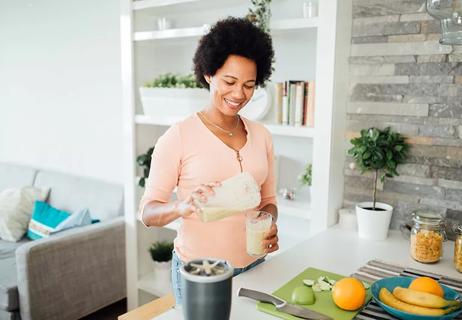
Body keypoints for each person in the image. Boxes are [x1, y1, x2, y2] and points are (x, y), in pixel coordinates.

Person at [138, 17, 278, 305]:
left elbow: (269, 200)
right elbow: (148, 213)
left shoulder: (262, 135)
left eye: (249, 85)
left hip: (256, 265)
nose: (239, 94)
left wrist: (269, 223)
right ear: (208, 74)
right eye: (229, 81)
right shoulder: (178, 136)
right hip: (201, 272)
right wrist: (183, 207)